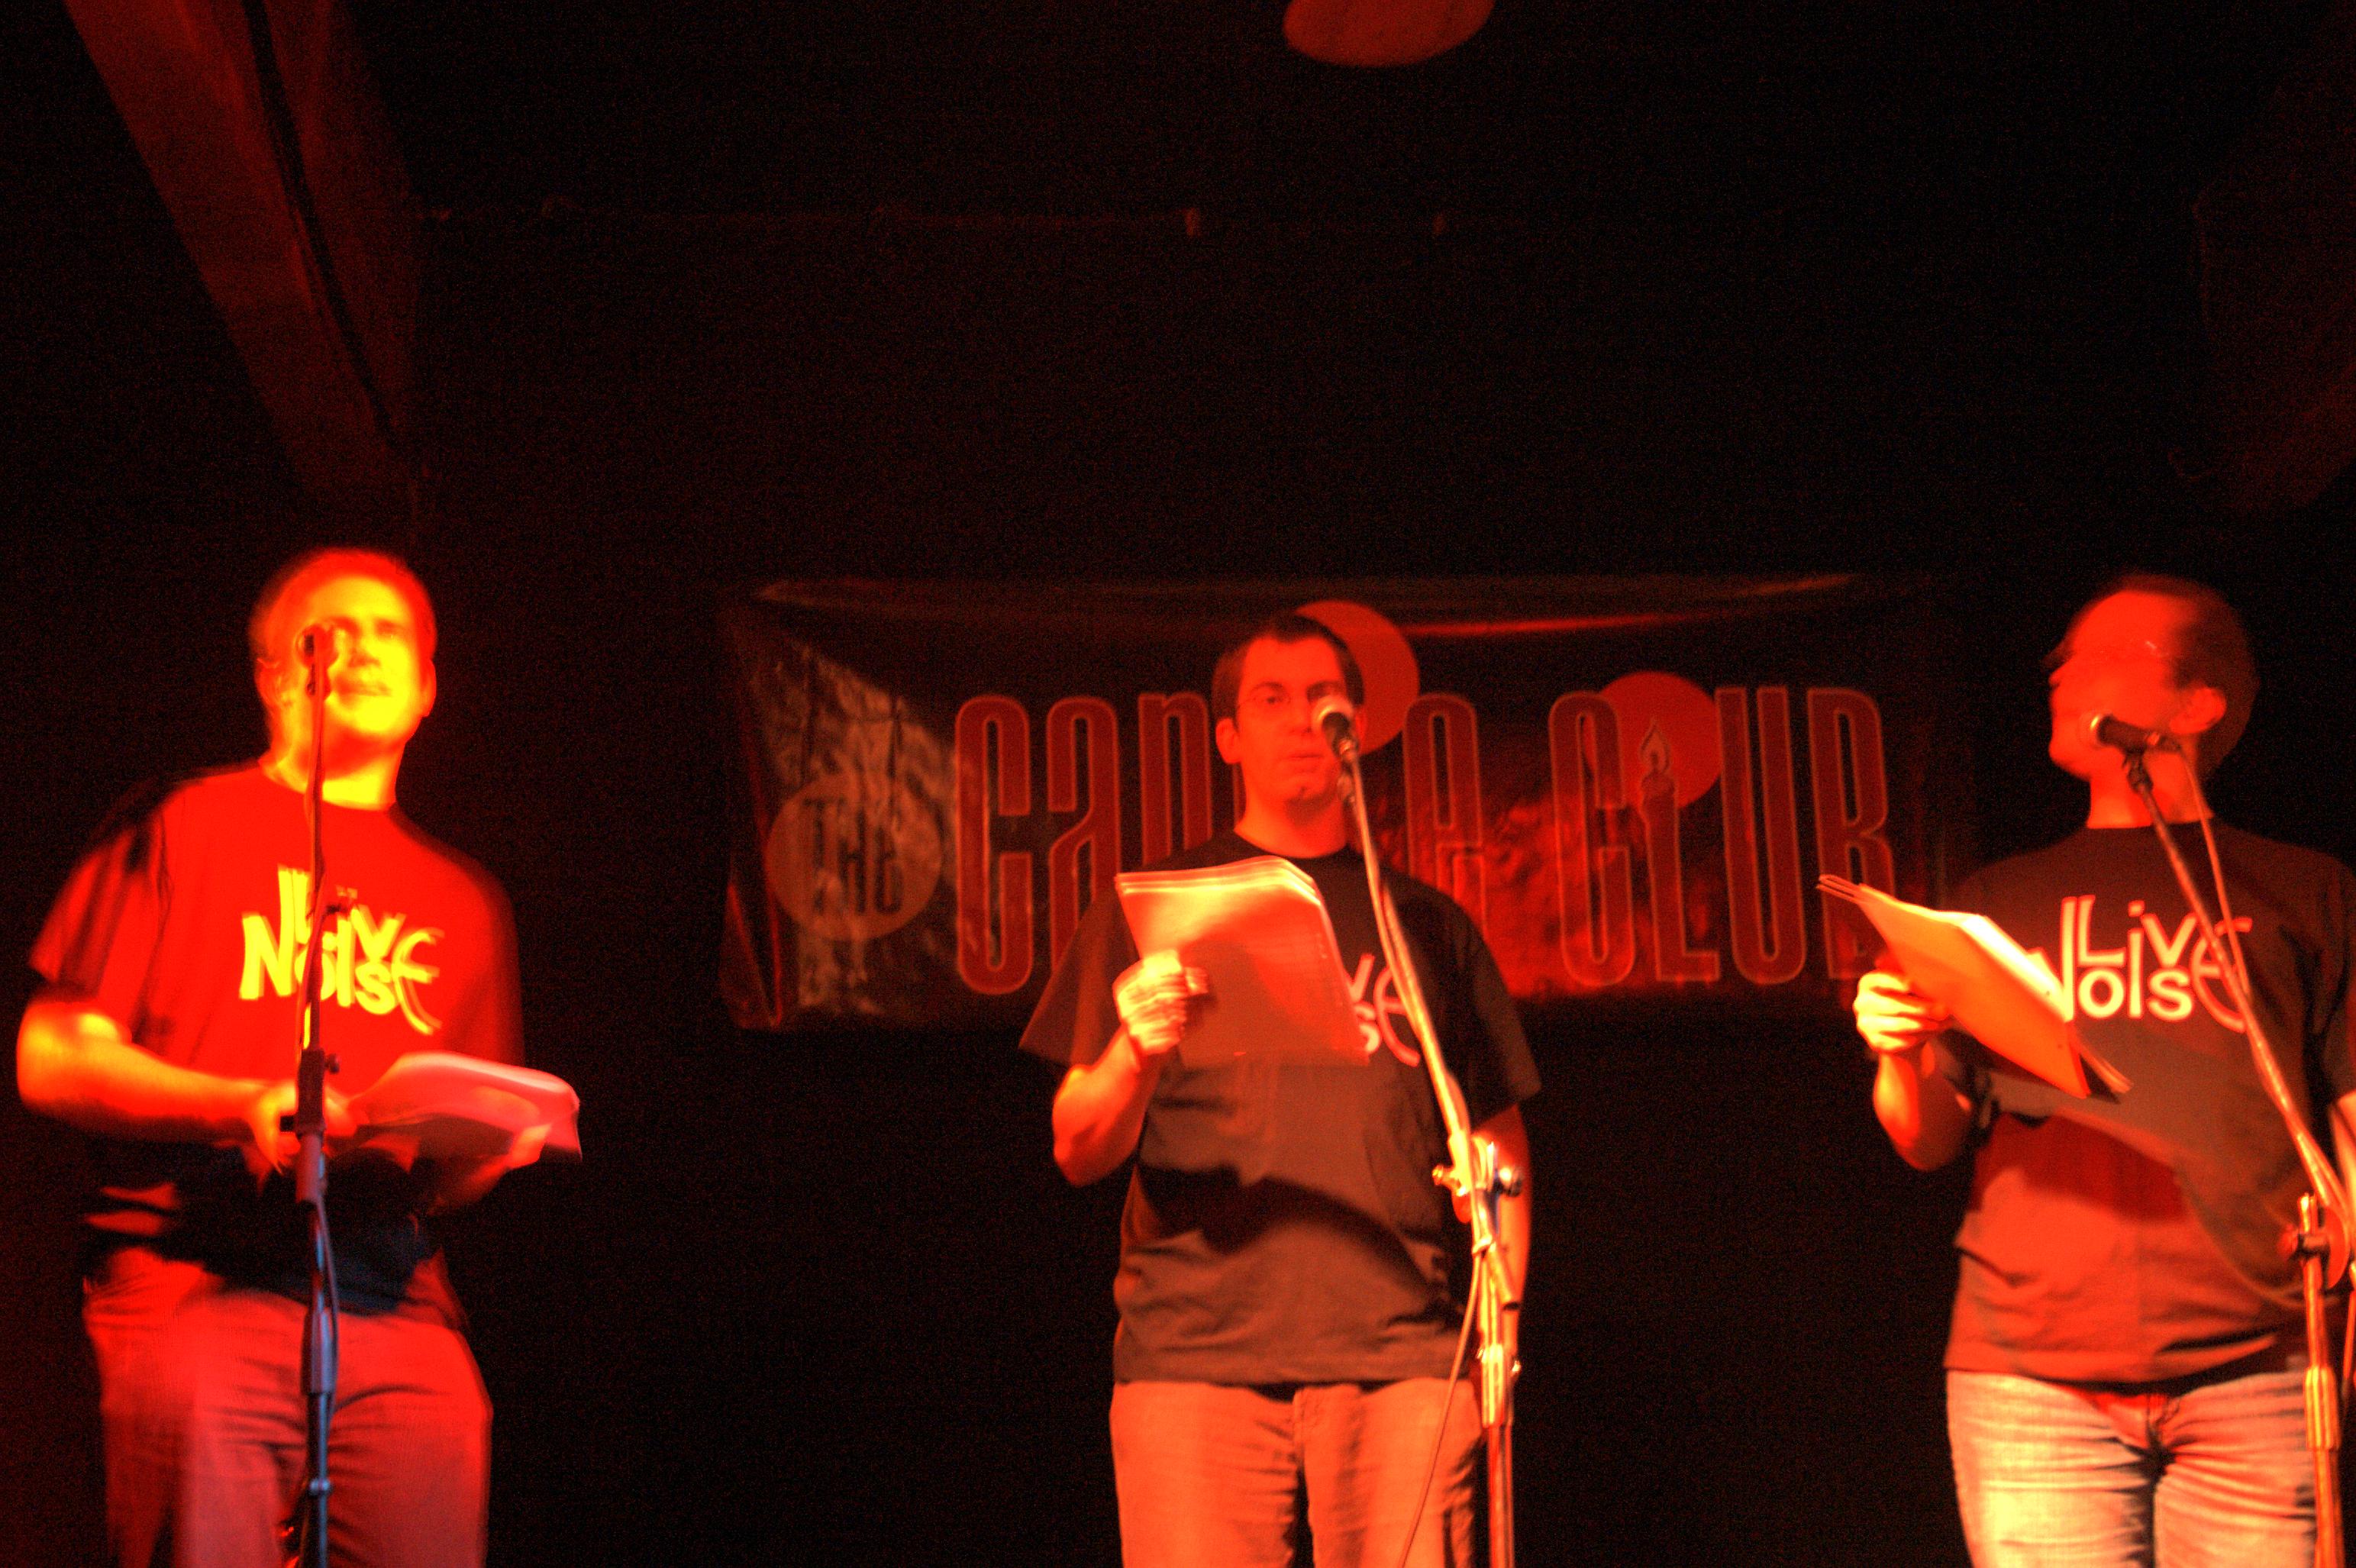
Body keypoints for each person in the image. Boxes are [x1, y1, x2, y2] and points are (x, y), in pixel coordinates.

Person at [18, 547, 531, 1568]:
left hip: (393, 1300)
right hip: (194, 1281)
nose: (363, 648)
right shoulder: (181, 821)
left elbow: (448, 1176)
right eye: (330, 630)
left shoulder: (467, 898)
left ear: (427, 687)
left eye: (391, 633)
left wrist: (485, 1155)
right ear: (274, 674)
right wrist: (236, 1104)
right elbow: (51, 1053)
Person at [1854, 574, 2356, 1566]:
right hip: (2030, 1375)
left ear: (2196, 702)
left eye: (2100, 653)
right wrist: (1896, 1051)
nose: (2058, 670)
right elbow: (1925, 1139)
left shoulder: (2303, 890)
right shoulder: (1994, 902)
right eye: (2061, 655)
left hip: (2257, 1364)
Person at [1022, 612, 1541, 1567]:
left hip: (1403, 1362)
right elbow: (1076, 1146)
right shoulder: (1157, 907)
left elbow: (1497, 1143)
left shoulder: (1426, 925)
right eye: (1272, 698)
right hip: (1196, 1360)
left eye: (1322, 695)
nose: (1303, 718)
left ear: (1357, 724)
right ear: (1228, 736)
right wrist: (1136, 1049)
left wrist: (1497, 1339)